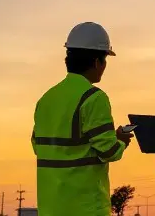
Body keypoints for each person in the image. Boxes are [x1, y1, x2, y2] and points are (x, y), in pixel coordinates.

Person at [31, 22, 134, 216]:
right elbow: (109, 151)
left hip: (50, 208)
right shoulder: (93, 98)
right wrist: (120, 140)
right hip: (85, 207)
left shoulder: (46, 99)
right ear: (97, 62)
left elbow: (41, 147)